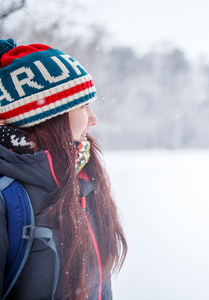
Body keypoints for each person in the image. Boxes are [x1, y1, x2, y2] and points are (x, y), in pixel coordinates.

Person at [0, 38, 127, 299]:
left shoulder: (82, 174)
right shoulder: (7, 195)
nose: (94, 118)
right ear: (45, 117)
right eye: (83, 106)